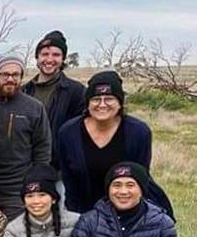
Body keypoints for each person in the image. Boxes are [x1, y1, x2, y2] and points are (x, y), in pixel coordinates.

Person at [56, 71, 155, 215]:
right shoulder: (68, 132)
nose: (102, 105)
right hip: (81, 210)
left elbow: (140, 179)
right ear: (88, 103)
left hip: (126, 210)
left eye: (109, 98)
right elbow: (69, 180)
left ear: (120, 103)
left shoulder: (139, 132)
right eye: (96, 99)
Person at [0, 55, 52, 219]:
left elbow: (42, 147)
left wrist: (35, 181)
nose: (10, 79)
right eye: (5, 75)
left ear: (21, 78)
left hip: (17, 188)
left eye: (15, 75)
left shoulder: (34, 107)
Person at [23, 30, 86, 171]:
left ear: (63, 58)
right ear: (37, 58)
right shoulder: (24, 91)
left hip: (60, 170)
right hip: (25, 168)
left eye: (56, 55)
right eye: (44, 54)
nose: (49, 60)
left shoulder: (76, 92)